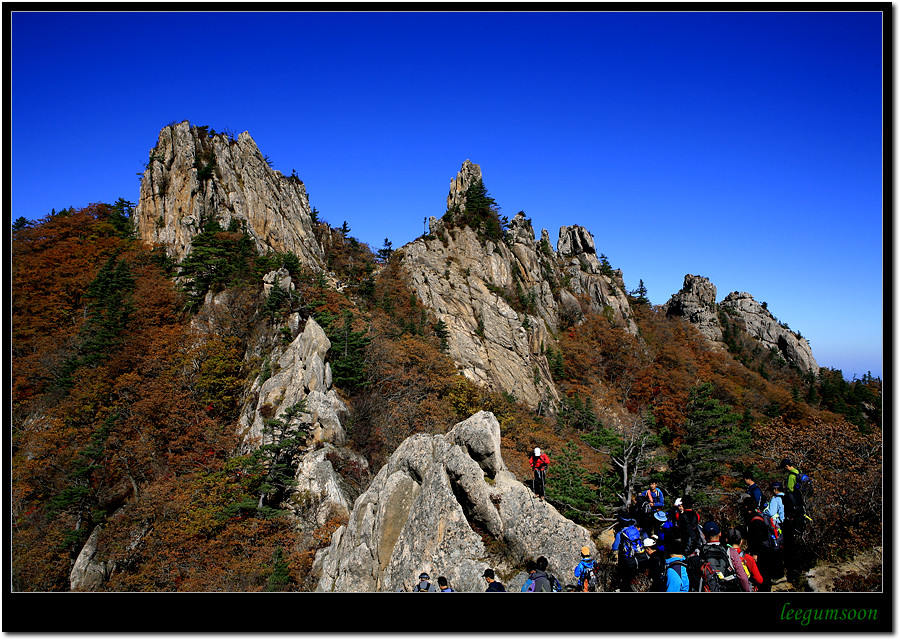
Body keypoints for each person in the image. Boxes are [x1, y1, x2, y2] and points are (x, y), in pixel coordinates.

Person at [742, 496, 783, 592]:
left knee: (763, 574)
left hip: (762, 552)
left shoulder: (755, 521)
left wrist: (755, 552)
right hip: (766, 549)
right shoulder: (759, 516)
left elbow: (758, 538)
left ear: (747, 507)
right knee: (765, 574)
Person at [699, 521, 740, 591]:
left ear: (704, 536)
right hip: (726, 587)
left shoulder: (700, 552)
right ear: (720, 534)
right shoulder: (729, 551)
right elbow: (741, 575)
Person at [611, 514, 645, 591]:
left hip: (627, 559)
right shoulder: (635, 530)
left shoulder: (620, 533)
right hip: (638, 556)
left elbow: (615, 547)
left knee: (625, 579)